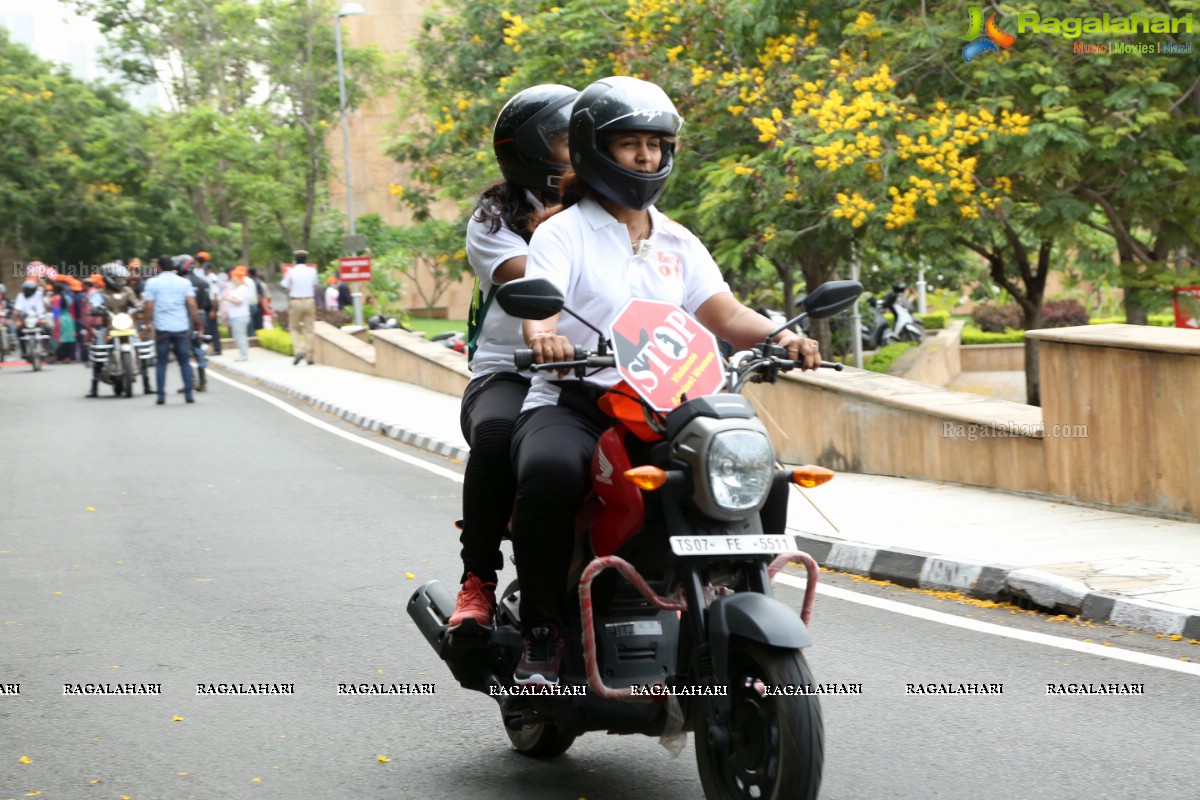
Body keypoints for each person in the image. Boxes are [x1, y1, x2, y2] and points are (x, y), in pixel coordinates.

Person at [507, 76, 821, 685]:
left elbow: (725, 315)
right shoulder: (562, 232)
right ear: (596, 147)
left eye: (657, 144)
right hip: (578, 401)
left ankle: (731, 593)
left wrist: (782, 336)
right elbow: (539, 308)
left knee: (757, 466)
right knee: (548, 473)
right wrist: (543, 335)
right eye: (631, 144)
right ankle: (543, 632)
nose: (647, 157)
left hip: (666, 404)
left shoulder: (677, 239)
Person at [447, 83, 579, 632]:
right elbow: (526, 279)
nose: (583, 148)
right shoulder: (493, 218)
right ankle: (478, 578)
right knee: (499, 435)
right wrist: (569, 229)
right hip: (511, 369)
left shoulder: (618, 204)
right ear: (528, 149)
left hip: (598, 370)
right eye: (566, 140)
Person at [144, 254, 203, 404]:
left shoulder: (152, 283)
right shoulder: (184, 282)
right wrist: (197, 322)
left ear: (159, 267)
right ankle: (189, 394)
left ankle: (161, 396)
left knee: (161, 362)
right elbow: (191, 304)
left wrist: (146, 324)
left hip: (162, 327)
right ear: (173, 267)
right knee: (184, 361)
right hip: (181, 326)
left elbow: (149, 306)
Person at [176, 255, 211, 392]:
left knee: (184, 351)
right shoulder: (203, 282)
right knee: (199, 350)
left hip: (186, 318)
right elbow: (208, 304)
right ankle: (202, 382)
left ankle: (189, 382)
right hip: (202, 317)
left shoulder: (181, 283)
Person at [282, 249, 317, 365]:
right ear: (306, 259)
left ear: (295, 260)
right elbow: (315, 284)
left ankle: (298, 351)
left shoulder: (291, 271)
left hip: (296, 301)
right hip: (309, 300)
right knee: (309, 329)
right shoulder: (312, 271)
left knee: (294, 327)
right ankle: (309, 356)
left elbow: (284, 285)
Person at [222, 266, 253, 361]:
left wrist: (227, 298)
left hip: (240, 315)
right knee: (238, 335)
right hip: (235, 315)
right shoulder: (236, 288)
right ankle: (242, 354)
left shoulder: (242, 288)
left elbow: (239, 302)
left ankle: (243, 355)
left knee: (240, 335)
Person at [196, 251, 222, 355]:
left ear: (210, 269)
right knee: (207, 329)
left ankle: (217, 349)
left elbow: (215, 295)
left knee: (213, 328)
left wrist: (213, 310)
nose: (205, 271)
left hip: (212, 304)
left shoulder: (213, 278)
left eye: (206, 269)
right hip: (207, 304)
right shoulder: (206, 277)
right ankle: (208, 348)